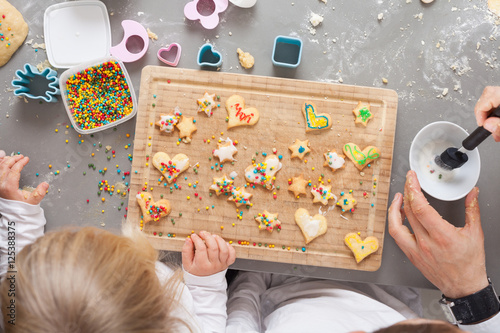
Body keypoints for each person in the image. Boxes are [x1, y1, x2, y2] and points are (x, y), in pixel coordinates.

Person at [225, 87, 500, 333]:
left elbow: (239, 318)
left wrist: (256, 270)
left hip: (275, 286)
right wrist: (470, 291)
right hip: (391, 288)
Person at [0, 151, 235, 332]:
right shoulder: (182, 325)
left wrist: (18, 216)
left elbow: (13, 269)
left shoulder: (14, 309)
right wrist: (205, 285)